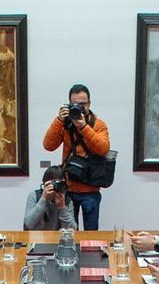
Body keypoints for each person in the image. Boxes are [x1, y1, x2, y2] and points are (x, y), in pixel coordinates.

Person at [40, 83, 111, 229]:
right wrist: (58, 120)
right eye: (75, 104)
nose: (79, 107)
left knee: (91, 234)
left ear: (89, 104)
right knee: (69, 231)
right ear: (69, 104)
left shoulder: (98, 124)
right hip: (69, 187)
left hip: (90, 189)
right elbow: (48, 145)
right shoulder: (65, 124)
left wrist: (83, 127)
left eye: (82, 104)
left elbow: (103, 149)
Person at [21, 165, 76, 231]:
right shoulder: (34, 196)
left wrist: (62, 208)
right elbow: (28, 225)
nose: (58, 187)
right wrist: (43, 199)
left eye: (60, 184)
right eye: (54, 183)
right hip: (35, 239)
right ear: (45, 184)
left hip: (57, 239)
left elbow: (72, 230)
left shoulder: (67, 201)